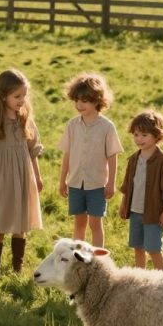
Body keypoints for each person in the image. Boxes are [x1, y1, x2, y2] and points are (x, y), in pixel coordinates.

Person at [0, 68, 44, 275]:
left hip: (23, 178)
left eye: (24, 95)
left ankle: (17, 267)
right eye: (16, 96)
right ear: (3, 96)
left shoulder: (26, 120)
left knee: (20, 226)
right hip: (1, 180)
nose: (22, 100)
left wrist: (37, 177)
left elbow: (33, 152)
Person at [58, 72, 123, 246]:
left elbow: (112, 156)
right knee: (79, 223)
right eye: (77, 100)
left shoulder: (107, 127)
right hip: (75, 183)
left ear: (97, 100)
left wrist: (111, 183)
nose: (79, 105)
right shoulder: (72, 125)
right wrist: (62, 180)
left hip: (97, 185)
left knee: (95, 223)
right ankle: (77, 257)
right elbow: (67, 155)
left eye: (84, 101)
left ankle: (97, 259)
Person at [119, 109, 163, 270]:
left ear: (157, 135)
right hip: (135, 211)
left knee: (153, 249)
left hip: (154, 214)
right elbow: (127, 185)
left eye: (144, 135)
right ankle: (140, 278)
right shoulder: (133, 159)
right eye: (136, 134)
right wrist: (124, 204)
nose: (139, 139)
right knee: (138, 247)